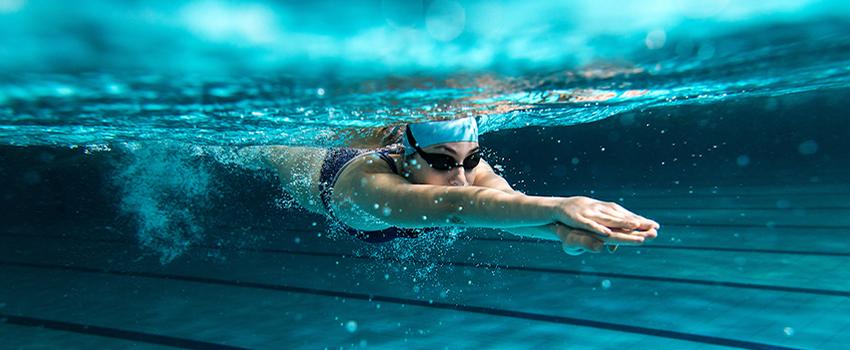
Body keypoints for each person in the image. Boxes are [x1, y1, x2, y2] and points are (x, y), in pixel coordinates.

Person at [252, 117, 659, 255]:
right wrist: (562, 205)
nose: (462, 176)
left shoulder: (464, 172)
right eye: (444, 162)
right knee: (261, 149)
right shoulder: (368, 185)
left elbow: (507, 207)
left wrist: (563, 234)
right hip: (311, 167)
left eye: (471, 159)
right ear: (406, 158)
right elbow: (455, 206)